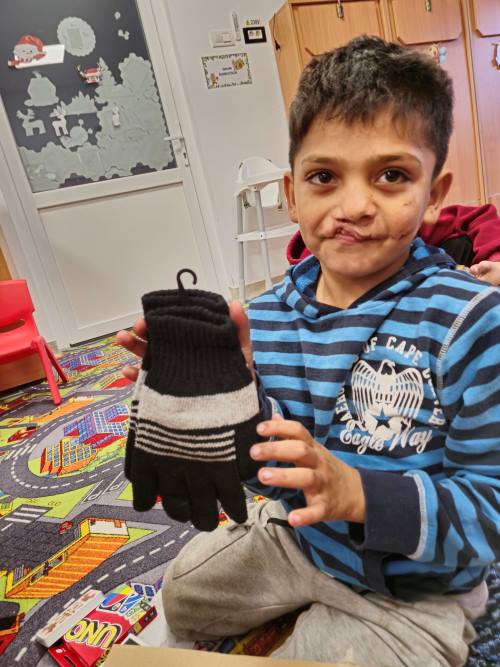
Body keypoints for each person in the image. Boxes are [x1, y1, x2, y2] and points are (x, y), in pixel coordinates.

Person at [117, 36, 500, 666]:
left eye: (392, 175)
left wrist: (358, 492)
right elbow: (265, 472)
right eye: (324, 177)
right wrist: (230, 394)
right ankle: (311, 588)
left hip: (414, 586)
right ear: (292, 194)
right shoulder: (264, 318)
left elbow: (490, 510)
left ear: (435, 194)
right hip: (304, 541)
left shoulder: (473, 319)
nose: (353, 207)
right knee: (182, 595)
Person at [286, 203, 500, 284]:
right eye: (325, 178)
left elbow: (478, 217)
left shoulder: (401, 225)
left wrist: (494, 261)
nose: (356, 207)